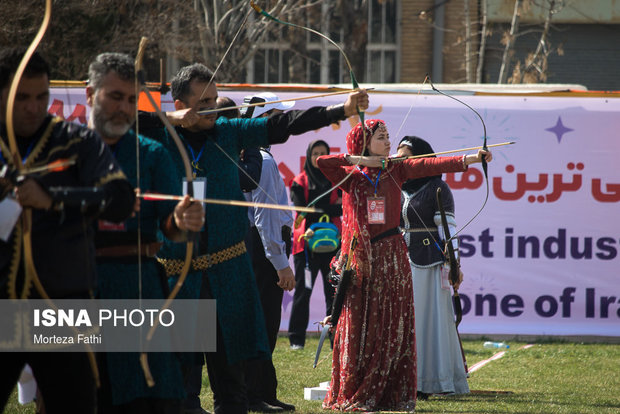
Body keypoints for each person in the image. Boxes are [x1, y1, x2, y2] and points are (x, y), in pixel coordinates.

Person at [137, 63, 368, 414]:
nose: (214, 108)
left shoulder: (229, 130)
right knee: (180, 380)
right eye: (203, 102)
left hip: (228, 272)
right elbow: (122, 125)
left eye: (215, 99)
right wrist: (171, 120)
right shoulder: (161, 136)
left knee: (231, 380)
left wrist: (342, 109)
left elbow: (281, 125)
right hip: (178, 274)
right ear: (180, 102)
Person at [318, 119, 491, 411]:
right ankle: (360, 383)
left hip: (393, 255)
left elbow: (431, 166)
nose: (388, 143)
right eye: (381, 138)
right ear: (364, 142)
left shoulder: (397, 169)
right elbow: (324, 163)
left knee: (391, 323)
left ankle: (389, 389)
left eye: (388, 136)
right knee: (364, 322)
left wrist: (472, 158)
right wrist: (360, 159)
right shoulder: (352, 176)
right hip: (362, 260)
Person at [0, 48, 135, 413]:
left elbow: (120, 198)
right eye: (21, 97)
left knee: (72, 404)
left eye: (42, 97)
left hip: (62, 302)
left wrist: (53, 198)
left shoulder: (76, 140)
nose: (33, 107)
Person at [85, 52, 204, 413]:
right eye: (114, 97)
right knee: (78, 393)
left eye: (131, 100)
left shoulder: (150, 153)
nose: (124, 108)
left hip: (141, 286)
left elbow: (170, 224)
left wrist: (182, 222)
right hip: (77, 285)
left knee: (153, 396)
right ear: (90, 95)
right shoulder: (66, 149)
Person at [397, 136, 470, 398]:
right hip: (398, 262)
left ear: (423, 159)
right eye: (399, 156)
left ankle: (427, 381)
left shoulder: (438, 188)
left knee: (426, 321)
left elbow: (448, 230)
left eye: (407, 156)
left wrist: (454, 264)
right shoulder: (394, 185)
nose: (401, 161)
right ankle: (404, 379)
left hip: (428, 263)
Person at [242, 92, 296, 413]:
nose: (283, 124)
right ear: (262, 121)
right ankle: (255, 394)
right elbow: (264, 217)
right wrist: (280, 263)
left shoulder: (256, 156)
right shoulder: (262, 159)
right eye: (277, 117)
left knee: (265, 322)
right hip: (264, 253)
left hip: (261, 250)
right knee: (263, 323)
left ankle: (264, 391)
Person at [288, 140, 342, 350]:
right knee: (303, 292)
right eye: (315, 153)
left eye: (323, 153)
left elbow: (343, 208)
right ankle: (296, 340)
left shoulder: (336, 179)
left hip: (333, 245)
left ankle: (334, 341)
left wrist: (318, 208)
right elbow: (301, 209)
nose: (318, 157)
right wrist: (330, 207)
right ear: (309, 155)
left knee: (333, 295)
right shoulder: (299, 180)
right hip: (306, 248)